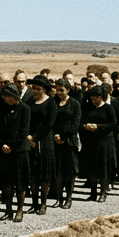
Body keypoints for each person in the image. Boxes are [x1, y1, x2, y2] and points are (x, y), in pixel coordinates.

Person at [0, 85, 30, 222]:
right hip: (4, 150)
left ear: (13, 96)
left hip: (19, 150)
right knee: (6, 182)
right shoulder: (1, 109)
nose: (4, 98)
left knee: (20, 182)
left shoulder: (24, 109)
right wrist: (2, 144)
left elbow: (23, 131)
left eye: (7, 96)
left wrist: (11, 145)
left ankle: (20, 209)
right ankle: (8, 209)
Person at [23, 75, 57, 215]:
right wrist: (28, 137)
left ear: (45, 89)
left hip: (44, 141)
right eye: (34, 88)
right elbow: (25, 119)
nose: (35, 91)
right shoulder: (30, 101)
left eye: (38, 89)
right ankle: (34, 202)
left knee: (44, 173)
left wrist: (35, 138)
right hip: (29, 141)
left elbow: (49, 124)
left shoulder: (51, 103)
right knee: (33, 174)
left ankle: (43, 203)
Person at [79, 86, 116, 202]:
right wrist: (86, 126)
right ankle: (93, 192)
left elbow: (113, 124)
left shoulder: (108, 108)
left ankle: (103, 191)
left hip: (104, 142)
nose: (94, 101)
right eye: (92, 98)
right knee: (92, 168)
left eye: (96, 98)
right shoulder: (88, 108)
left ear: (101, 97)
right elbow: (81, 121)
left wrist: (98, 127)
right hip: (91, 142)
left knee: (103, 167)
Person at [50, 79, 81, 208]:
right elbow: (49, 120)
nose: (59, 93)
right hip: (55, 141)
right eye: (57, 90)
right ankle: (59, 198)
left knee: (69, 172)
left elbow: (75, 125)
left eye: (62, 90)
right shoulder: (53, 102)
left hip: (69, 141)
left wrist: (63, 136)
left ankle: (69, 197)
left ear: (68, 90)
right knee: (57, 171)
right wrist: (54, 136)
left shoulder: (74, 104)